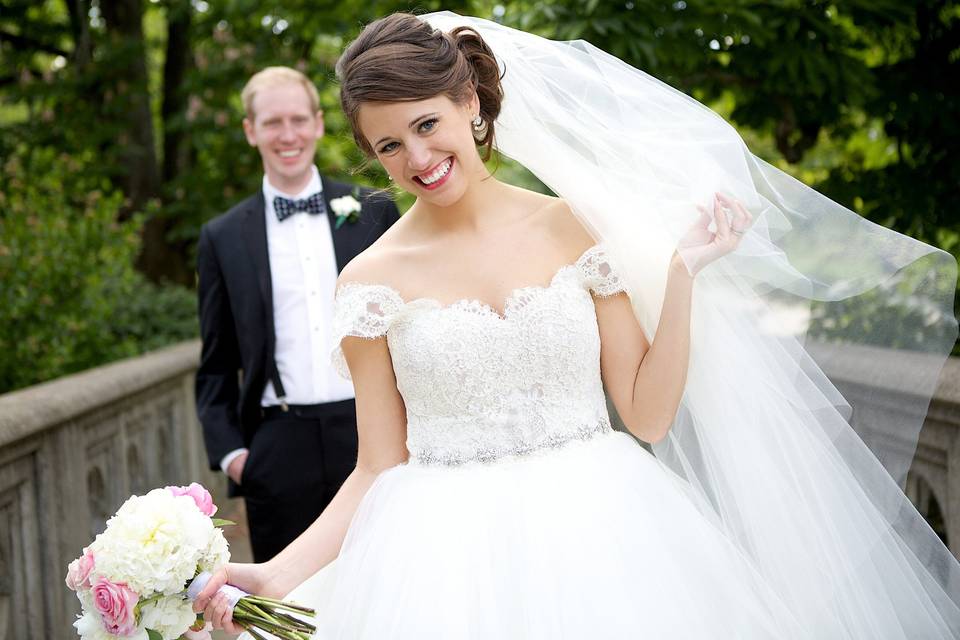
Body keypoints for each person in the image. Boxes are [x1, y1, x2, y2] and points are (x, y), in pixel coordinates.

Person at [194, 14, 960, 638]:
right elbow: (377, 467)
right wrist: (275, 574)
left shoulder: (576, 228)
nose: (418, 158)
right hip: (443, 567)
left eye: (428, 124)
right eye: (390, 145)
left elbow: (649, 416)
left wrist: (683, 275)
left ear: (470, 103)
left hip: (613, 540)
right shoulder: (368, 283)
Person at [195, 66, 400, 563]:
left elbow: (408, 327)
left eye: (298, 120)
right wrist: (237, 458)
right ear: (251, 131)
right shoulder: (222, 237)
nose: (287, 135)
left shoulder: (374, 212)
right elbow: (217, 362)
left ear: (317, 124)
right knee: (291, 613)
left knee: (383, 582)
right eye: (272, 123)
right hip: (277, 450)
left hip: (374, 432)